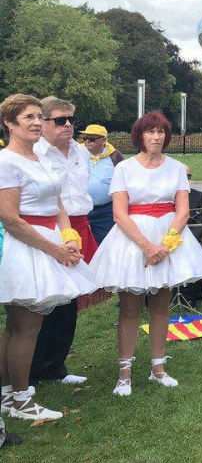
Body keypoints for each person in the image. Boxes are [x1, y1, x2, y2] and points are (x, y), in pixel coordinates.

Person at [89, 111, 202, 396]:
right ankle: (124, 373)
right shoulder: (124, 168)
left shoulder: (175, 168)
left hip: (168, 237)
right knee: (130, 308)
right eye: (150, 132)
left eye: (161, 132)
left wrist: (167, 244)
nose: (156, 137)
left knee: (161, 305)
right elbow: (120, 213)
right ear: (140, 136)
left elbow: (182, 209)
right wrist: (147, 246)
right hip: (132, 239)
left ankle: (158, 367)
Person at [0, 93, 97, 421]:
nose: (36, 123)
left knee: (22, 327)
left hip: (53, 240)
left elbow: (58, 204)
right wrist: (54, 249)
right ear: (9, 123)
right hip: (27, 246)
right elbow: (11, 219)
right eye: (28, 117)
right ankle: (20, 399)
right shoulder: (7, 162)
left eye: (38, 117)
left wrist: (68, 238)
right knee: (23, 327)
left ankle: (8, 395)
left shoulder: (40, 159)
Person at [30, 97, 100, 387]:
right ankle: (27, 370)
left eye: (71, 119)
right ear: (43, 122)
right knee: (41, 299)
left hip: (79, 224)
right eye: (60, 120)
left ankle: (55, 365)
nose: (69, 125)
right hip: (48, 227)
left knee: (69, 300)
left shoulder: (80, 152)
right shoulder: (34, 152)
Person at [81, 124, 124, 244]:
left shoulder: (115, 156)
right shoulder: (78, 153)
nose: (87, 142)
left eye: (92, 139)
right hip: (82, 209)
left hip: (105, 211)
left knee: (104, 244)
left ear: (104, 140)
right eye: (85, 138)